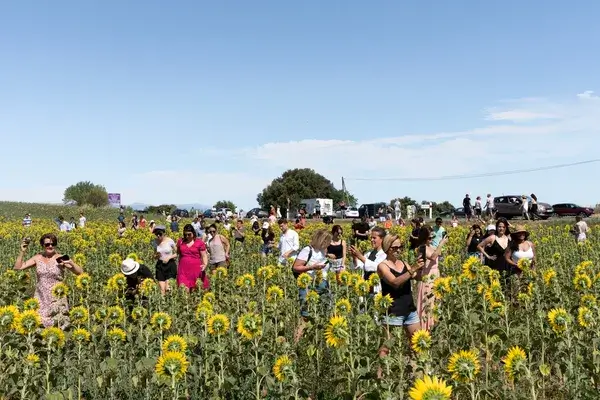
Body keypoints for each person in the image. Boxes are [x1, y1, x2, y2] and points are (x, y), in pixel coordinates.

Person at [376, 234, 425, 377]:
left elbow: (417, 277)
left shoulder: (403, 263)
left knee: (417, 343)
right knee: (387, 348)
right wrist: (412, 270)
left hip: (409, 309)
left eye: (400, 247)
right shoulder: (382, 266)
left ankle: (417, 373)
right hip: (393, 312)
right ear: (387, 248)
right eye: (395, 247)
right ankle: (380, 377)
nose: (398, 250)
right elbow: (395, 282)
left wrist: (421, 268)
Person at [14, 233, 84, 327]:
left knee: (58, 324)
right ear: (43, 245)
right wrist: (22, 251)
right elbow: (19, 267)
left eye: (53, 244)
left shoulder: (60, 258)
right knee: (38, 325)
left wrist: (71, 262)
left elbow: (80, 273)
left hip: (57, 296)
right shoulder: (37, 258)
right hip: (41, 296)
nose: (50, 246)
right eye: (47, 244)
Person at [292, 229, 333, 342]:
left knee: (325, 312)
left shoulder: (324, 250)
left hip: (323, 283)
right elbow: (296, 267)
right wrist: (312, 267)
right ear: (321, 240)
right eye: (327, 241)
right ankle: (296, 342)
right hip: (308, 284)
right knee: (306, 315)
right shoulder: (307, 250)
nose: (329, 243)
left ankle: (318, 341)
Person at [415, 225, 448, 331]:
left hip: (435, 277)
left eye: (432, 237)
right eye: (429, 238)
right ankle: (426, 328)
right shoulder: (422, 248)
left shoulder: (432, 246)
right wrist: (441, 244)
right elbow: (433, 257)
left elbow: (439, 254)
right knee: (428, 304)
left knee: (436, 303)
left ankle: (434, 327)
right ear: (424, 238)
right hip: (428, 279)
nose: (431, 239)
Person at [350, 227, 387, 292]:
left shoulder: (385, 254)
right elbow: (359, 266)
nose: (371, 240)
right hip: (366, 286)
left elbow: (376, 267)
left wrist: (360, 256)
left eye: (374, 238)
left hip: (377, 288)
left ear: (382, 239)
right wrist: (354, 257)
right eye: (371, 238)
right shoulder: (369, 252)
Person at [177, 224, 209, 290]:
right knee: (183, 289)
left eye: (189, 234)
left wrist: (205, 264)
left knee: (196, 289)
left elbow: (204, 255)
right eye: (185, 234)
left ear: (193, 233)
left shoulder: (199, 242)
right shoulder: (180, 242)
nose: (187, 236)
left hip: (196, 269)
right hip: (183, 269)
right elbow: (179, 254)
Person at [152, 225, 177, 295]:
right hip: (160, 266)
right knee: (162, 290)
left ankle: (170, 303)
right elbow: (154, 255)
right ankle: (162, 304)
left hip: (170, 265)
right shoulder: (155, 242)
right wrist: (156, 256)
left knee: (168, 288)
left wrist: (169, 257)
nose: (158, 236)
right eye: (156, 234)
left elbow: (177, 253)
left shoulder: (170, 241)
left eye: (160, 233)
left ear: (164, 233)